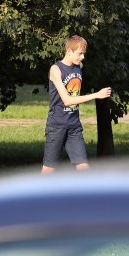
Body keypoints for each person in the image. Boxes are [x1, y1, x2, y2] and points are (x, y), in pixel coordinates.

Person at [41, 35, 112, 173]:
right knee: (48, 170)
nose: (83, 57)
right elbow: (67, 100)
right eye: (80, 53)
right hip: (57, 126)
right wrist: (97, 95)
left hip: (74, 126)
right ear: (69, 51)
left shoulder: (78, 66)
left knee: (84, 168)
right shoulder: (56, 70)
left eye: (84, 53)